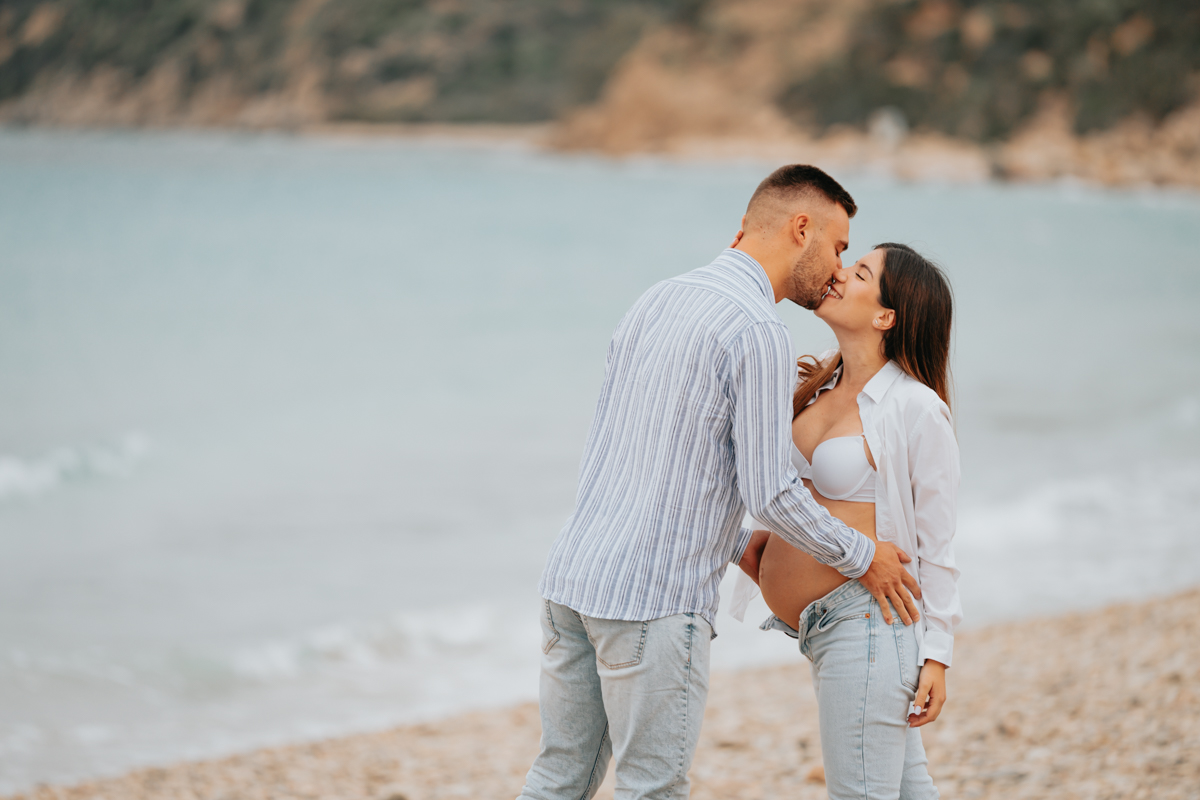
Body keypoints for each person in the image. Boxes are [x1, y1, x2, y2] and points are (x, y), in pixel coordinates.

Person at [517, 165, 921, 800]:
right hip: (650, 601)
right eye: (840, 247)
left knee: (558, 778)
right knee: (651, 789)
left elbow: (648, 458)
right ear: (802, 228)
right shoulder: (757, 329)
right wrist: (864, 557)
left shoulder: (657, 298)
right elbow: (768, 490)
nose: (840, 268)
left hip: (572, 583)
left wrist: (736, 544)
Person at [743, 242, 961, 800]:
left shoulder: (914, 408)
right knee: (907, 790)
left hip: (867, 625)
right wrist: (757, 548)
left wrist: (937, 656)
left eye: (860, 271)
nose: (838, 273)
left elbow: (938, 543)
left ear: (885, 316)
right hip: (826, 630)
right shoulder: (818, 389)